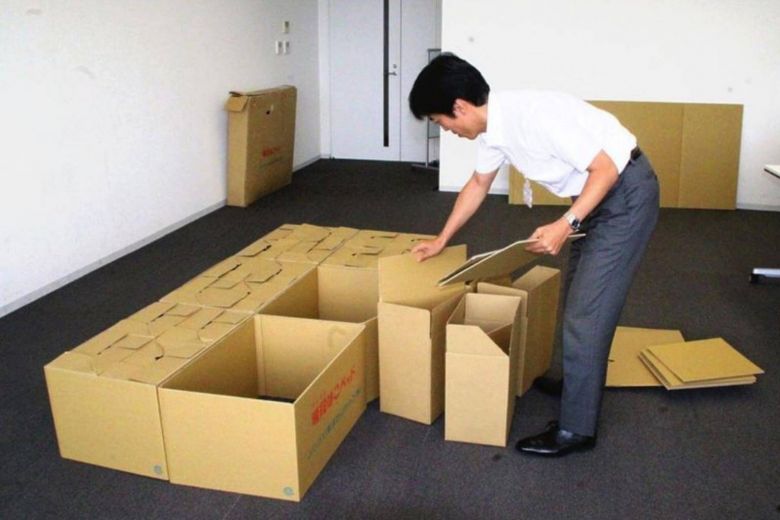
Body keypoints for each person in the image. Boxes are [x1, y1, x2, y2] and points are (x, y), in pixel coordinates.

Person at [408, 53, 659, 457]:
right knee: (580, 297)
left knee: (587, 312)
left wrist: (566, 225)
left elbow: (606, 169)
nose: (446, 131)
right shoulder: (494, 129)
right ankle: (580, 382)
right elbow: (477, 184)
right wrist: (441, 239)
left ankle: (577, 429)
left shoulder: (534, 116)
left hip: (624, 196)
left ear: (460, 106)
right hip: (597, 199)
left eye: (441, 122)